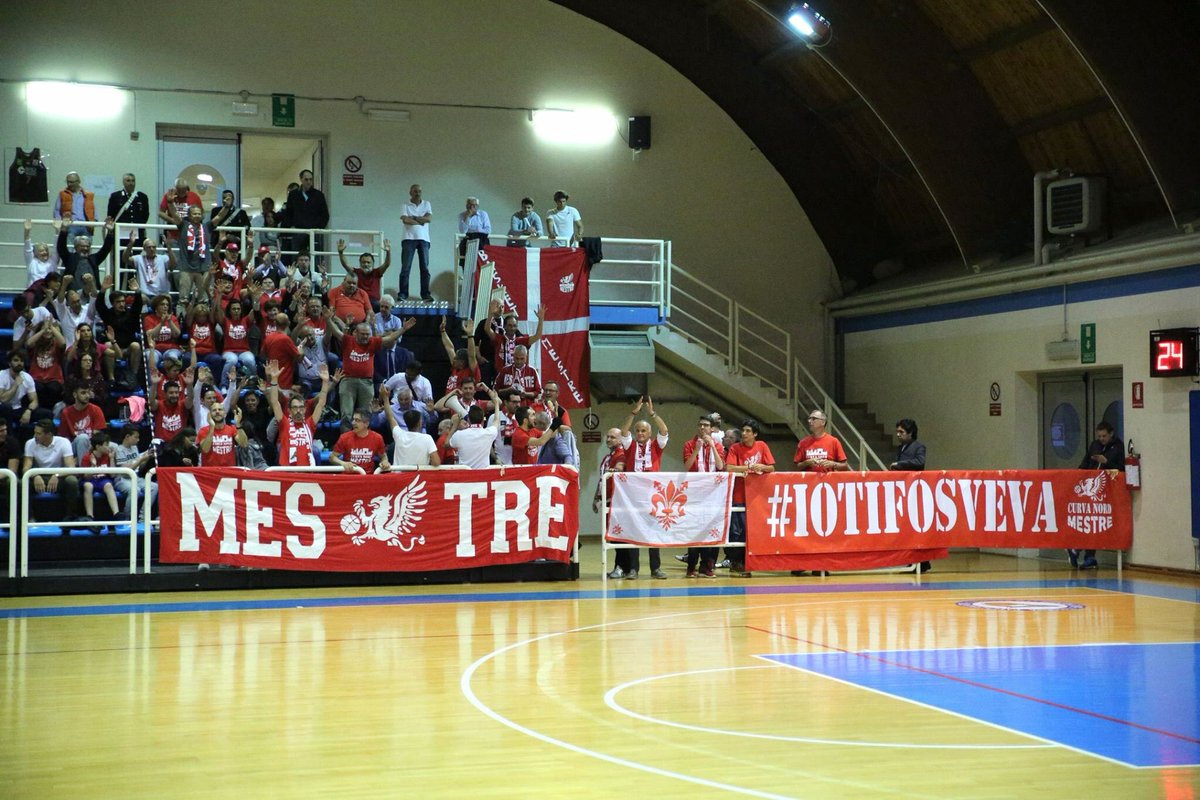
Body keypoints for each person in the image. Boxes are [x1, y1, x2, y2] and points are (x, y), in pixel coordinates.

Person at [610, 396, 670, 580]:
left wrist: (652, 413)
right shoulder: (630, 445)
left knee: (654, 532)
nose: (640, 433)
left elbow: (664, 429)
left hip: (653, 496)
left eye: (644, 430)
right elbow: (624, 431)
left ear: (649, 432)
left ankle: (655, 568)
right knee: (634, 531)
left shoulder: (656, 446)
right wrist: (633, 413)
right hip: (633, 496)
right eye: (638, 430)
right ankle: (634, 569)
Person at [1070, 421, 1125, 570]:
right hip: (1091, 491)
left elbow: (1121, 468)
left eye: (1104, 436)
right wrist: (1076, 475)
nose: (1102, 438)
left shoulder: (1118, 447)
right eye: (1099, 436)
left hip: (1109, 492)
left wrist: (1106, 461)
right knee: (1089, 520)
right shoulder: (1095, 445)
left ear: (1111, 434)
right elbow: (1086, 462)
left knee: (1098, 523)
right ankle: (1083, 551)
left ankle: (1086, 553)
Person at [726, 418, 775, 578]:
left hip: (758, 496)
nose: (744, 434)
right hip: (739, 494)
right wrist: (748, 467)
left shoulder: (762, 446)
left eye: (748, 431)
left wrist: (761, 467)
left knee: (753, 530)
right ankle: (737, 562)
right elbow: (729, 467)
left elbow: (771, 467)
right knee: (737, 530)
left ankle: (753, 561)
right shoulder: (735, 448)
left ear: (755, 434)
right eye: (743, 430)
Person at [682, 415, 726, 578]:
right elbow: (687, 466)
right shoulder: (689, 444)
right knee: (694, 530)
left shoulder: (718, 445)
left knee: (710, 530)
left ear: (711, 428)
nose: (702, 428)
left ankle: (706, 566)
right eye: (700, 425)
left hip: (713, 494)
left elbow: (720, 466)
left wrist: (713, 446)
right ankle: (691, 566)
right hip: (694, 493)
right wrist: (696, 450)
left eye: (706, 425)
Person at [266, 360, 331, 467]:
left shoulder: (310, 424)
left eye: (301, 407)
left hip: (307, 470)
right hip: (288, 471)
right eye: (295, 408)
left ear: (305, 410)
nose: (298, 411)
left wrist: (325, 382)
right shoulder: (284, 423)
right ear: (289, 411)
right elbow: (275, 402)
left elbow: (321, 404)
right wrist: (274, 380)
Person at [890, 418, 934, 573]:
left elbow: (920, 462)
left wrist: (900, 465)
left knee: (917, 526)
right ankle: (913, 559)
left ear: (910, 433)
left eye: (901, 432)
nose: (898, 434)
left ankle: (923, 561)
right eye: (898, 431)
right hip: (905, 489)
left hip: (915, 490)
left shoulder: (919, 447)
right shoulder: (901, 447)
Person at [23, 419, 80, 525]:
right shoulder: (30, 443)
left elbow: (71, 467)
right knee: (23, 483)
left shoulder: (64, 442)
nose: (35, 436)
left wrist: (57, 475)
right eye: (35, 432)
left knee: (72, 481)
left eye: (38, 434)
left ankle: (70, 517)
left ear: (49, 434)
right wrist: (35, 475)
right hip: (39, 478)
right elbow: (26, 468)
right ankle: (28, 518)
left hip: (59, 478)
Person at [381, 387, 439, 468]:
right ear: (420, 422)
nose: (403, 402)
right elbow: (436, 462)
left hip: (399, 477)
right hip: (419, 478)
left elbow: (390, 417)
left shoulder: (399, 435)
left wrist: (385, 398)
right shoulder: (427, 438)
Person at [449, 383, 502, 469]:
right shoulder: (489, 433)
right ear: (482, 420)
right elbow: (496, 420)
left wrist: (454, 425)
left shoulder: (459, 434)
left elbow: (447, 444)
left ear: (468, 419)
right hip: (481, 477)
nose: (468, 391)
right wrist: (496, 403)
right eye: (465, 388)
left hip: (464, 477)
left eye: (470, 388)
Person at [283, 169, 330, 264]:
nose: (308, 182)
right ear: (301, 179)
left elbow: (325, 215)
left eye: (310, 179)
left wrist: (318, 228)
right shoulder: (293, 195)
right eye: (306, 179)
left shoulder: (319, 195)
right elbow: (289, 213)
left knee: (315, 258)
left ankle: (316, 275)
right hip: (298, 231)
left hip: (314, 232)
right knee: (296, 257)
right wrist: (291, 226)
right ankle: (295, 277)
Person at [399, 183, 433, 301]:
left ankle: (425, 294)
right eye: (415, 191)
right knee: (406, 267)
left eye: (419, 191)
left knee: (425, 268)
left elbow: (429, 219)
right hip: (408, 238)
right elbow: (405, 220)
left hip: (424, 239)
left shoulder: (427, 204)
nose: (417, 193)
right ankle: (403, 294)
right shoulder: (405, 205)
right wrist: (420, 220)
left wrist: (413, 217)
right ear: (410, 193)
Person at [80, 431, 120, 530]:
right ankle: (90, 516)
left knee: (108, 485)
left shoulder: (107, 456)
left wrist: (111, 459)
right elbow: (86, 477)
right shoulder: (87, 457)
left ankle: (116, 514)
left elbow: (112, 474)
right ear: (98, 446)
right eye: (106, 445)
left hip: (102, 480)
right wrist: (93, 466)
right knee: (88, 486)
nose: (109, 447)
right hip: (90, 480)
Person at [330, 407, 390, 472]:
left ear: (366, 424)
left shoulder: (377, 438)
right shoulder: (344, 437)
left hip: (367, 477)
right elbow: (332, 457)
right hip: (349, 477)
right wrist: (343, 463)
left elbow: (383, 456)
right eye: (353, 419)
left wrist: (385, 461)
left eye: (357, 420)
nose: (353, 423)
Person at [113, 427, 156, 516]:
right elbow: (126, 471)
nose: (138, 440)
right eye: (135, 437)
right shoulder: (119, 449)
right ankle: (127, 519)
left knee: (154, 487)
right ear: (127, 436)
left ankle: (143, 517)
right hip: (122, 479)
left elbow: (139, 469)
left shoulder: (134, 448)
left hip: (136, 477)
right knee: (135, 490)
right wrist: (140, 460)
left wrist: (146, 459)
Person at [197, 402, 247, 468]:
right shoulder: (203, 430)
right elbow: (205, 449)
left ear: (225, 414)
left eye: (220, 409)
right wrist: (212, 427)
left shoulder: (232, 429)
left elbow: (244, 444)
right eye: (214, 410)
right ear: (209, 415)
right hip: (210, 472)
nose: (217, 412)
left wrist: (238, 424)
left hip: (229, 471)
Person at [107, 172, 150, 247]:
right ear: (123, 182)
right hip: (121, 231)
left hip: (137, 232)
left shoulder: (142, 197)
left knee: (136, 254)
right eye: (128, 181)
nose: (131, 183)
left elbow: (145, 215)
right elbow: (111, 215)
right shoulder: (115, 196)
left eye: (133, 181)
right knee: (120, 254)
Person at [592, 427, 626, 514]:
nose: (608, 439)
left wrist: (615, 470)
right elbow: (601, 479)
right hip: (606, 500)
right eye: (607, 437)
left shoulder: (622, 454)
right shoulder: (607, 458)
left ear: (621, 440)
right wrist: (596, 497)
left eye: (612, 437)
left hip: (618, 501)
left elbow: (619, 468)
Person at [53, 171, 95, 239]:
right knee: (69, 247)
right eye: (68, 182)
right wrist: (60, 224)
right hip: (70, 226)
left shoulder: (88, 195)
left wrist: (94, 222)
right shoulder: (62, 194)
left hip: (86, 226)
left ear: (78, 181)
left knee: (86, 247)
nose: (69, 184)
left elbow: (92, 209)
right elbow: (57, 210)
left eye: (71, 182)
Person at [23, 219, 61, 289]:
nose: (45, 252)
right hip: (33, 292)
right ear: (36, 253)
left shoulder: (52, 261)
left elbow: (57, 248)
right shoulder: (32, 261)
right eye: (41, 251)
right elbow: (27, 248)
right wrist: (27, 231)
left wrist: (57, 230)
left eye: (46, 250)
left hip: (50, 291)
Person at [457, 197, 491, 263]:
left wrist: (476, 229)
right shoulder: (461, 215)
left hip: (482, 240)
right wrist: (467, 217)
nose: (472, 207)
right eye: (470, 205)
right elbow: (462, 231)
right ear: (467, 205)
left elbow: (488, 230)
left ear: (478, 206)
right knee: (467, 262)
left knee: (482, 262)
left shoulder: (483, 214)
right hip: (468, 240)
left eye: (475, 205)